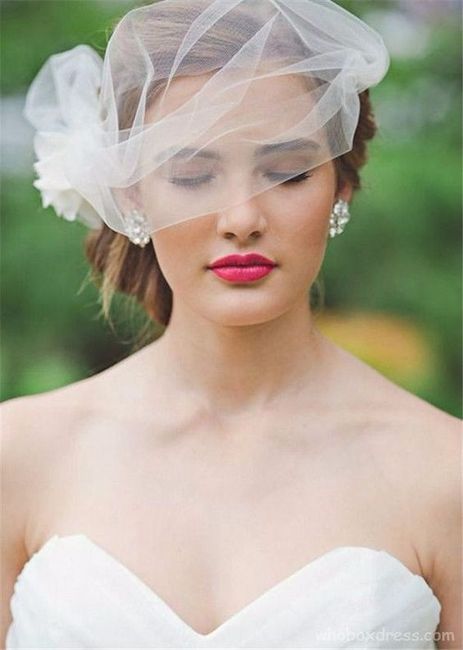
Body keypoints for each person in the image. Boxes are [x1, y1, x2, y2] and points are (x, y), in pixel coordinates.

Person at [2, 0, 461, 647]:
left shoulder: (444, 473)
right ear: (130, 195)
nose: (242, 217)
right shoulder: (19, 454)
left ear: (340, 187)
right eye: (193, 175)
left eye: (287, 172)